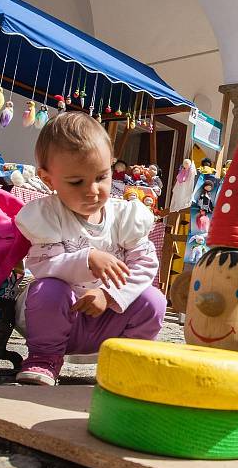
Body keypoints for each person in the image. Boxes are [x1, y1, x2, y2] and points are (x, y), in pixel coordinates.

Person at [14, 113, 166, 385]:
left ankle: (124, 364)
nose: (93, 190)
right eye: (77, 182)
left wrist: (109, 295)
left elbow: (145, 264)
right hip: (59, 318)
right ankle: (44, 359)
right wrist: (87, 259)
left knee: (153, 300)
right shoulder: (48, 215)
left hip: (108, 319)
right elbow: (42, 264)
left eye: (101, 177)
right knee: (47, 289)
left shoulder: (124, 216)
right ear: (49, 180)